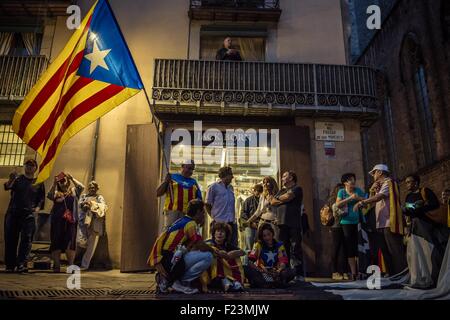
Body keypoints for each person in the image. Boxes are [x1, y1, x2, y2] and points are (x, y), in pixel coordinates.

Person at [149, 199, 219, 294]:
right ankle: (175, 281)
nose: (204, 215)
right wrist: (213, 250)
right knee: (208, 256)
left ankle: (168, 280)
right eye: (203, 213)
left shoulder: (183, 220)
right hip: (172, 259)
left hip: (168, 259)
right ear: (198, 212)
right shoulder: (191, 223)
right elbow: (199, 244)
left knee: (200, 254)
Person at [354, 164, 407, 276]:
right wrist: (372, 190)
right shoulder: (379, 186)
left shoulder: (389, 183)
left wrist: (362, 202)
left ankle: (401, 274)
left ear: (380, 172)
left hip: (390, 222)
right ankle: (392, 274)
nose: (373, 175)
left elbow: (379, 197)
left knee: (395, 250)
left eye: (374, 173)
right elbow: (374, 200)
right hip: (380, 223)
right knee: (385, 251)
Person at [403, 175, 448, 287]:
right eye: (406, 182)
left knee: (430, 250)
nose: (407, 184)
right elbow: (409, 212)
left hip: (427, 225)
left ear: (416, 182)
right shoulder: (408, 196)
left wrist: (419, 207)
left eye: (409, 182)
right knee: (417, 253)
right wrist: (406, 210)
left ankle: (433, 277)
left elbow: (434, 204)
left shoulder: (425, 191)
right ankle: (421, 276)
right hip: (415, 227)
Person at [3, 159, 45, 273]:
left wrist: (36, 209)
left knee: (26, 240)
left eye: (32, 165)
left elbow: (41, 199)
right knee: (11, 239)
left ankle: (21, 264)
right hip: (13, 213)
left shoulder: (39, 182)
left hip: (28, 215)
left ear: (35, 168)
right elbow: (7, 187)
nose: (30, 167)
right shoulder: (17, 179)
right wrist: (11, 179)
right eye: (28, 165)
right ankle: (10, 265)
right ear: (24, 166)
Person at [47, 172, 84, 273]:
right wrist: (54, 183)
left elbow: (81, 187)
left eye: (64, 180)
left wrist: (72, 178)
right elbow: (49, 195)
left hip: (70, 222)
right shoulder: (56, 193)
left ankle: (71, 265)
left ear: (68, 182)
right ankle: (57, 265)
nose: (62, 183)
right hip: (57, 221)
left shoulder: (73, 191)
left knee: (70, 243)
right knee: (56, 242)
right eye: (61, 181)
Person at [270, 171, 304, 277]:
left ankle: (298, 274)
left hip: (294, 223)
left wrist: (280, 199)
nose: (282, 178)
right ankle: (287, 274)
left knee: (295, 249)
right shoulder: (281, 191)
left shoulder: (297, 189)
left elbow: (288, 197)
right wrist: (283, 198)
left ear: (291, 178)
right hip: (281, 223)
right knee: (283, 250)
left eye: (285, 176)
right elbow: (272, 202)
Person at [244, 223, 295, 288]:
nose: (267, 237)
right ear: (262, 237)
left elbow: (283, 261)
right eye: (264, 236)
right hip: (262, 273)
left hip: (276, 273)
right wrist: (260, 270)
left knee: (292, 271)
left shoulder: (279, 245)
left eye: (269, 234)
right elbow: (250, 261)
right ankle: (274, 283)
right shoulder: (258, 245)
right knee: (245, 268)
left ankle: (269, 283)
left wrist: (278, 271)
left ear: (272, 233)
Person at [335, 173, 366, 281]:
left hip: (358, 222)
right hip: (346, 222)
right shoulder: (342, 192)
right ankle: (353, 273)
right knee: (349, 247)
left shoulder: (358, 190)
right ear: (345, 182)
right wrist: (350, 198)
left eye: (353, 179)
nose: (352, 181)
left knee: (359, 245)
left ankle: (360, 271)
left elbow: (367, 200)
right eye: (349, 180)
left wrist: (359, 198)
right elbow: (337, 204)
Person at [156, 160, 202, 229]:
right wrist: (165, 181)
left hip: (188, 214)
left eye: (192, 169)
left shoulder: (194, 182)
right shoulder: (172, 177)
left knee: (184, 235)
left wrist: (200, 216)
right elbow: (158, 193)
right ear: (182, 166)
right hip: (172, 212)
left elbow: (199, 200)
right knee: (170, 232)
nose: (190, 171)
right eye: (189, 168)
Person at [203, 222, 246, 292]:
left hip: (227, 272)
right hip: (212, 275)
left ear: (226, 235)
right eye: (218, 231)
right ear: (214, 233)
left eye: (222, 232)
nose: (220, 234)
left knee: (235, 258)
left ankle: (234, 282)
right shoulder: (208, 243)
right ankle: (227, 282)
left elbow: (243, 252)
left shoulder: (227, 245)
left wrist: (228, 255)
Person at [205, 166, 238, 247]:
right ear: (224, 175)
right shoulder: (213, 187)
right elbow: (207, 204)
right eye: (231, 174)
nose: (232, 177)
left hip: (231, 223)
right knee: (217, 247)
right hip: (218, 223)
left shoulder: (231, 188)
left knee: (231, 246)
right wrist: (214, 217)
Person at [78, 181, 108, 270]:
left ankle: (85, 265)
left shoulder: (99, 197)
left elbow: (103, 207)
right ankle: (76, 261)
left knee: (91, 245)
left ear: (97, 188)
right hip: (83, 223)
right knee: (80, 242)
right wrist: (84, 205)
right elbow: (79, 205)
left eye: (94, 187)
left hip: (94, 223)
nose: (92, 189)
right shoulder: (83, 196)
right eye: (90, 187)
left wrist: (92, 205)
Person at [328, 183, 348, 280]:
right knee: (335, 249)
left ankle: (344, 271)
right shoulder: (333, 200)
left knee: (343, 249)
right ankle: (334, 272)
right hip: (336, 227)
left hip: (343, 226)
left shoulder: (339, 199)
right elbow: (338, 212)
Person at [239, 184, 263, 264]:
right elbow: (243, 214)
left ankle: (256, 265)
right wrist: (250, 223)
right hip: (250, 226)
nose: (258, 193)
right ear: (254, 191)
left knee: (259, 246)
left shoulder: (263, 200)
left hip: (261, 226)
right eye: (257, 191)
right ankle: (246, 265)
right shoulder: (248, 200)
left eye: (260, 191)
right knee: (249, 246)